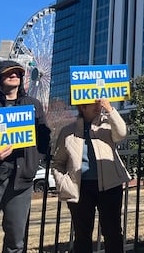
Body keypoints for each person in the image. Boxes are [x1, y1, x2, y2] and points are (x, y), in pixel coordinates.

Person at [0, 60, 51, 253]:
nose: (14, 75)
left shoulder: (33, 105)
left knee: (15, 240)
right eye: (9, 72)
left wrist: (34, 161)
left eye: (18, 73)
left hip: (21, 182)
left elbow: (44, 140)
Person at [52, 97, 130, 253]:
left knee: (113, 232)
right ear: (82, 107)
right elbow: (58, 162)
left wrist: (110, 110)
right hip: (80, 188)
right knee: (82, 235)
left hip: (109, 186)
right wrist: (63, 182)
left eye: (99, 102)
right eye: (94, 103)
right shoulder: (67, 131)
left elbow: (122, 134)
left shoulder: (107, 126)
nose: (98, 105)